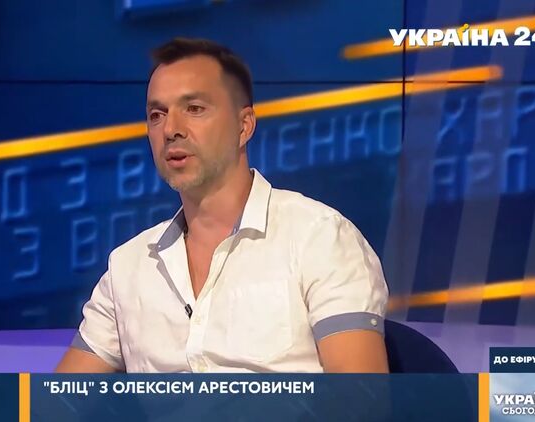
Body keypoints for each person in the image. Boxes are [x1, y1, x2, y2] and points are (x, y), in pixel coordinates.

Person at [55, 38, 389, 373]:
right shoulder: (129, 266)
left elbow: (360, 397)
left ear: (244, 126)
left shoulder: (319, 238)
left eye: (194, 109)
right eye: (157, 115)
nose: (170, 129)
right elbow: (58, 397)